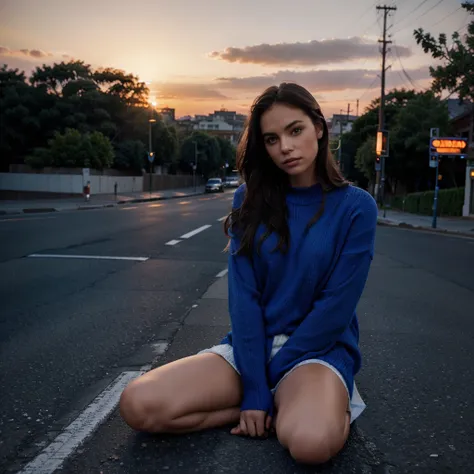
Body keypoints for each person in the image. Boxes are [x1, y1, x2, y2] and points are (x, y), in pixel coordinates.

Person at [119, 83, 378, 465]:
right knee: (138, 404)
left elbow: (334, 309)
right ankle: (271, 407)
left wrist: (265, 381)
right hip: (251, 347)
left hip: (317, 352)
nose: (285, 147)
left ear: (319, 128)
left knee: (310, 444)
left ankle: (325, 404)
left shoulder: (357, 207)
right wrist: (256, 388)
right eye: (271, 139)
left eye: (295, 130)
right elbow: (244, 298)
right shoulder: (249, 199)